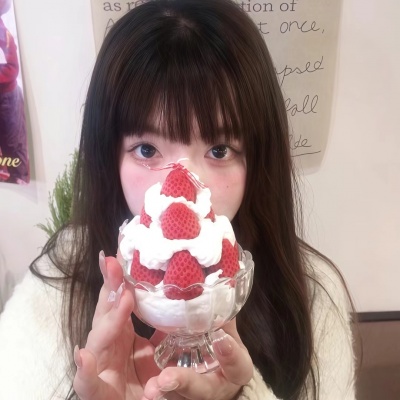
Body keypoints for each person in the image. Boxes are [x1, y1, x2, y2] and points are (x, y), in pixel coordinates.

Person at [0, 0, 356, 398]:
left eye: (219, 150)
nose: (184, 188)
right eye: (147, 150)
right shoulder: (53, 291)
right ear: (109, 157)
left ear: (257, 159)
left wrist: (242, 393)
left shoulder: (313, 295)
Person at [0, 0, 29, 184]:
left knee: (13, 145)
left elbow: (11, 68)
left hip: (7, 99)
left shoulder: (3, 34)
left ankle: (19, 179)